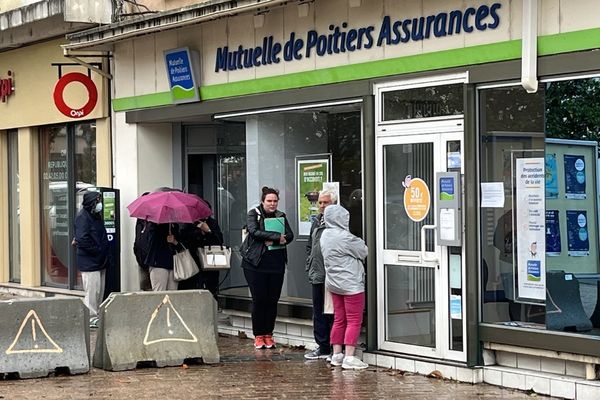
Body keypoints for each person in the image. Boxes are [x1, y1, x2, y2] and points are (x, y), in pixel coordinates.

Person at [241, 186, 294, 350]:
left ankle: (268, 334)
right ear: (263, 201)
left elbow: (290, 235)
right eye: (269, 201)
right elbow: (254, 231)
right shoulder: (254, 214)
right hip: (255, 264)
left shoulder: (281, 216)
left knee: (272, 300)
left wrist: (276, 240)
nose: (272, 204)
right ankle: (258, 335)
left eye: (275, 201)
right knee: (259, 299)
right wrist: (277, 237)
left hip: (276, 264)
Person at [320, 204, 369, 370]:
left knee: (339, 319)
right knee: (354, 320)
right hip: (351, 284)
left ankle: (337, 354)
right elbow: (363, 251)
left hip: (334, 283)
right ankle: (349, 356)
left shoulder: (325, 235)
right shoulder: (346, 237)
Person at [304, 189, 336, 360]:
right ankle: (322, 346)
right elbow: (310, 244)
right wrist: (309, 262)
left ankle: (334, 346)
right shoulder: (316, 220)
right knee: (318, 310)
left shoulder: (338, 221)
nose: (322, 206)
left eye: (326, 202)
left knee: (332, 311)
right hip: (317, 272)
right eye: (320, 203)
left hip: (332, 273)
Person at [73, 191, 110, 328]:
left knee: (99, 291)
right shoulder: (83, 217)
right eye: (97, 201)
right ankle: (91, 317)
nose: (100, 204)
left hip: (100, 261)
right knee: (92, 291)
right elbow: (82, 239)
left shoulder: (95, 216)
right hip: (90, 262)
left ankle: (96, 316)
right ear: (91, 202)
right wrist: (98, 250)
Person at [178, 205, 224, 297]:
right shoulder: (189, 223)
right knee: (192, 286)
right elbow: (184, 240)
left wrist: (208, 231)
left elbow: (219, 241)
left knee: (211, 286)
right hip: (193, 261)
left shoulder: (212, 223)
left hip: (210, 260)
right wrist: (198, 232)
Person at [144, 222, 180, 291]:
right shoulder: (153, 225)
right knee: (160, 293)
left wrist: (174, 241)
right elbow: (149, 243)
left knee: (173, 294)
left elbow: (179, 245)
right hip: (158, 262)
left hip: (173, 263)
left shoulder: (174, 225)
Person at [133, 192, 152, 291]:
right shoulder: (140, 220)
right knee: (144, 288)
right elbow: (138, 238)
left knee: (153, 289)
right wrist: (136, 250)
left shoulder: (154, 221)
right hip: (141, 260)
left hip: (152, 261)